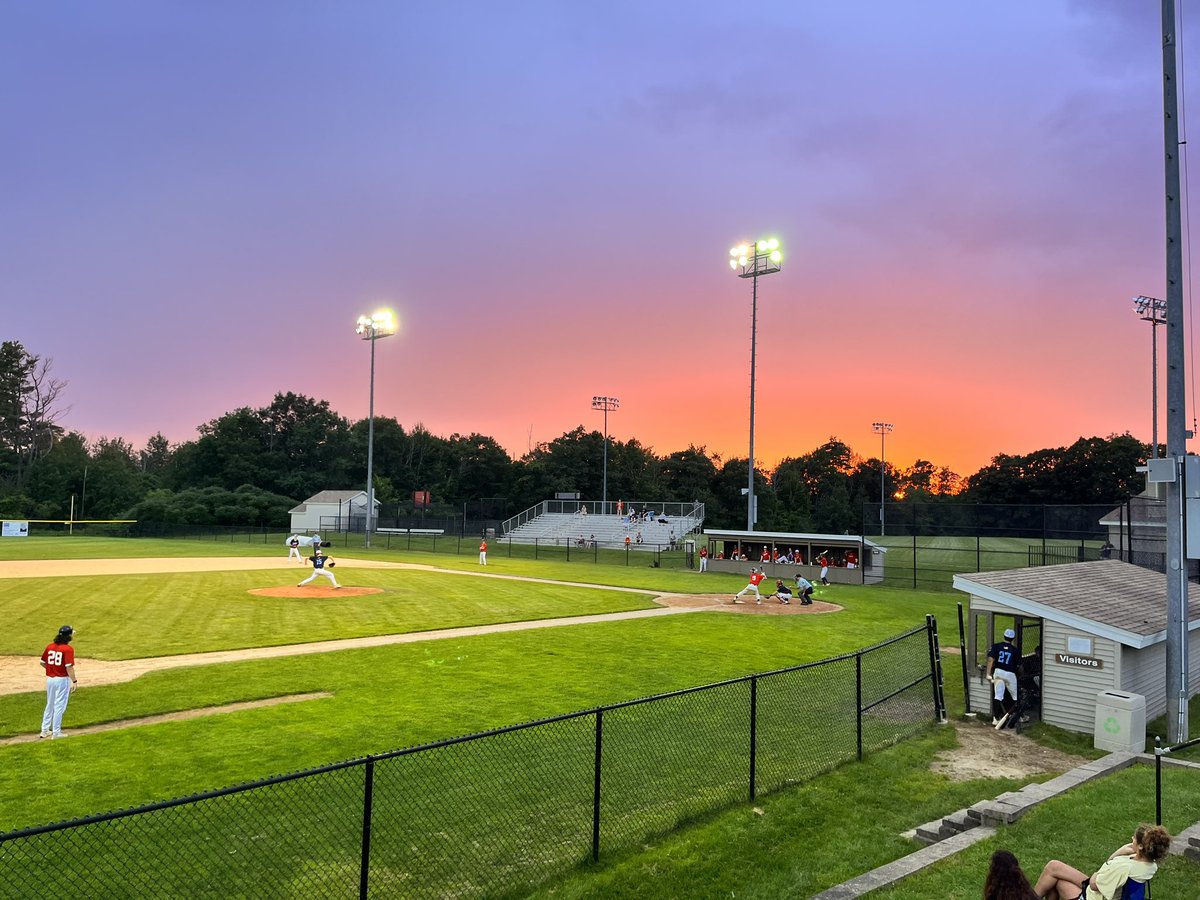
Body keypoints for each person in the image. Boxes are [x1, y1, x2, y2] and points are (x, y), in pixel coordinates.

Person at [1034, 824, 1171, 900]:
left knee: (1056, 878)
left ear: (1141, 846)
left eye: (1134, 838)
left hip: (1093, 894)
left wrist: (1096, 874)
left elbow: (1094, 884)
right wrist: (1121, 851)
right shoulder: (1149, 864)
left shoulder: (1124, 869)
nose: (1132, 838)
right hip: (1104, 888)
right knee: (1054, 867)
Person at [40, 625, 78, 739]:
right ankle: (56, 733)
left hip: (50, 680)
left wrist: (52, 669)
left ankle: (44, 730)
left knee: (50, 704)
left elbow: (42, 662)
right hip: (62, 680)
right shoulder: (68, 649)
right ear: (68, 636)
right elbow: (69, 667)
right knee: (59, 706)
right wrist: (74, 681)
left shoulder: (50, 646)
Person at [987, 627, 1020, 728]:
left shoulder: (996, 646)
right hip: (1010, 674)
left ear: (1004, 636)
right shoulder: (1015, 650)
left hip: (998, 672)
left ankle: (995, 718)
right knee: (1015, 697)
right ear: (1013, 638)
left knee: (998, 696)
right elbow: (1018, 666)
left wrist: (988, 674)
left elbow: (990, 660)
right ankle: (1017, 716)